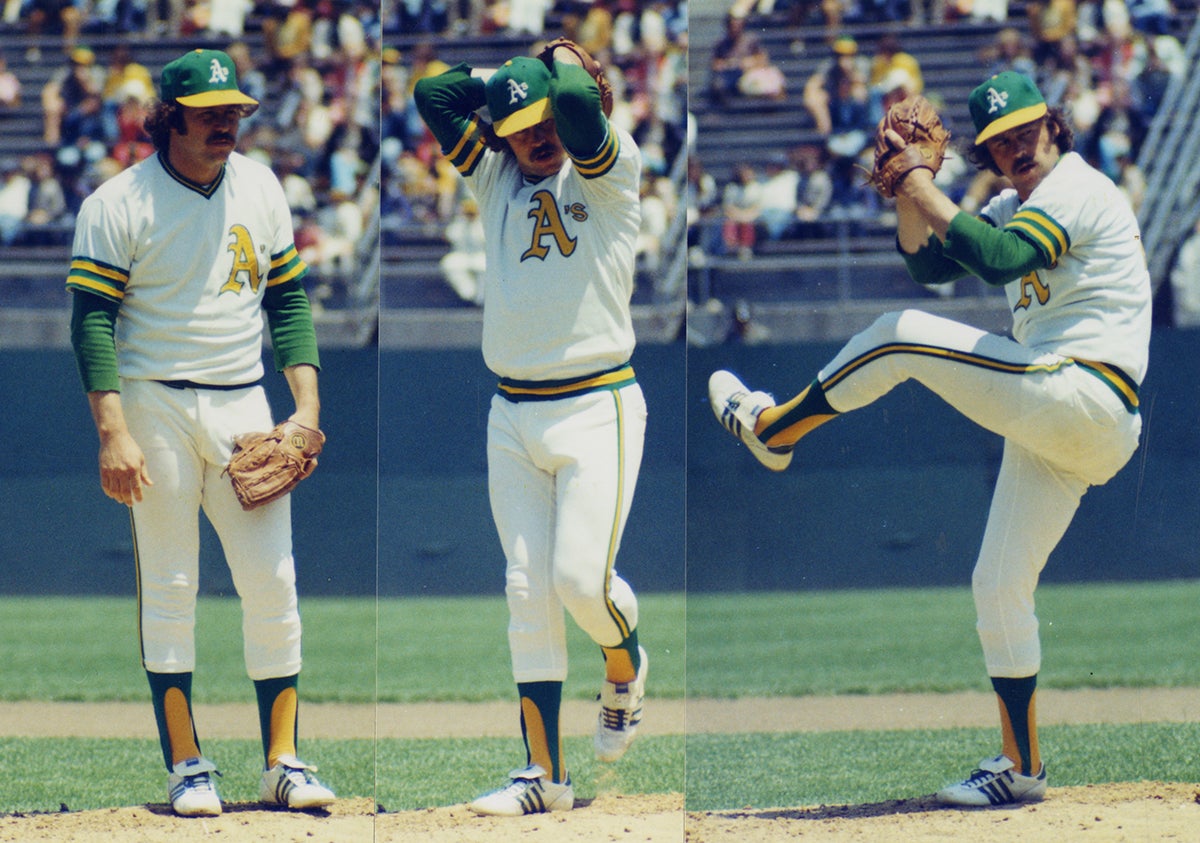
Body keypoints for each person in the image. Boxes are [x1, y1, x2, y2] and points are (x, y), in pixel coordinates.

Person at [708, 71, 1149, 806]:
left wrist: (921, 181)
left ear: (1055, 126)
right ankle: (1023, 764)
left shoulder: (1079, 186)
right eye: (999, 144)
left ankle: (773, 428)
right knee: (997, 585)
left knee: (899, 338)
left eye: (1026, 132)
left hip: (1085, 388)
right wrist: (910, 191)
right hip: (1061, 415)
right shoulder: (1010, 202)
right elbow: (927, 264)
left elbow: (1003, 259)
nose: (1016, 150)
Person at [65, 48, 336, 817]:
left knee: (272, 582)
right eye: (211, 110)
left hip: (243, 401)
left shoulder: (261, 186)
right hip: (154, 402)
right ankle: (186, 764)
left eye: (235, 110)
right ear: (170, 115)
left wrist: (305, 409)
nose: (227, 122)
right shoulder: (119, 202)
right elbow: (92, 322)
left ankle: (282, 759)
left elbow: (288, 302)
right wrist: (113, 431)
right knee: (172, 583)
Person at [414, 46, 649, 817]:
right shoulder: (496, 177)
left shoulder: (609, 174)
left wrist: (553, 76)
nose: (535, 138)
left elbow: (584, 108)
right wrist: (504, 81)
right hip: (512, 412)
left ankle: (626, 659)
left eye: (543, 119)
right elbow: (431, 93)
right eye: (518, 127)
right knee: (526, 590)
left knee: (580, 581)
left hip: (597, 404)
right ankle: (542, 776)